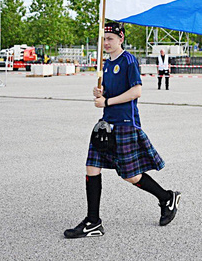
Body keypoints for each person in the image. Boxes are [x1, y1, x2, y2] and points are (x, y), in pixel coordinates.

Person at [64, 21, 181, 239]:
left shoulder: (128, 61)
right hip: (106, 125)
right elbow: (109, 92)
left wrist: (107, 102)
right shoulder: (106, 64)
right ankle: (93, 222)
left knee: (131, 176)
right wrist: (100, 91)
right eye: (104, 39)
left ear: (121, 39)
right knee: (91, 166)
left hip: (125, 124)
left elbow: (136, 91)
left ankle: (166, 198)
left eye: (110, 39)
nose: (106, 43)